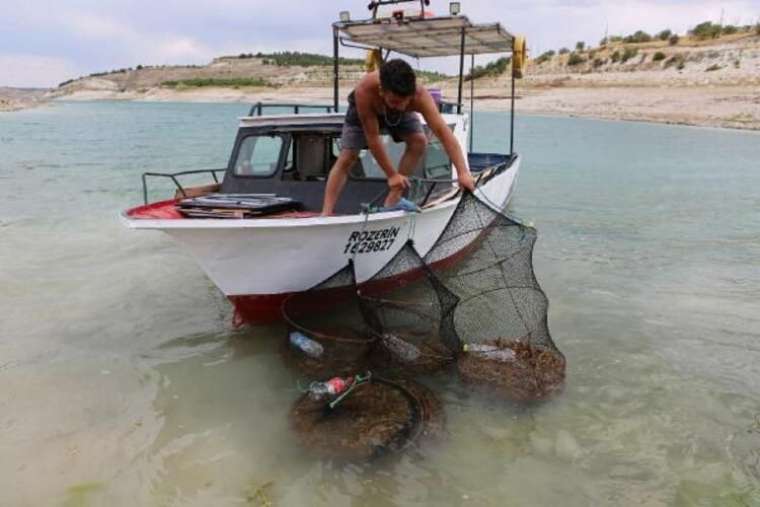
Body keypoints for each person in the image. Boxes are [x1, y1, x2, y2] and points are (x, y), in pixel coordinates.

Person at [321, 59, 475, 216]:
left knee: (419, 141)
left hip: (400, 115)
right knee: (348, 156)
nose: (400, 105)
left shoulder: (419, 96)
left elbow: (443, 132)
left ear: (411, 94)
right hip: (366, 112)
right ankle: (325, 214)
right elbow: (372, 138)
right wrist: (392, 175)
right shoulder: (365, 91)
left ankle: (393, 200)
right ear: (382, 91)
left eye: (404, 101)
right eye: (395, 101)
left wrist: (463, 172)